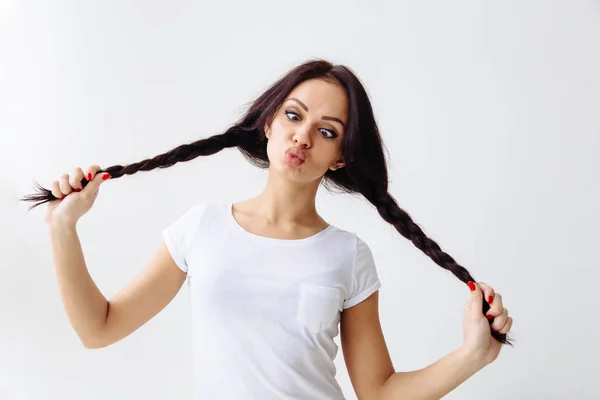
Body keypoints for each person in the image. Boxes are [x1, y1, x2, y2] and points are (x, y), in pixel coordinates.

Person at [22, 59, 513, 399]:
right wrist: (63, 228)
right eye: (293, 116)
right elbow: (99, 329)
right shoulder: (202, 228)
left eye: (327, 131)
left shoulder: (348, 255)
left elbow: (379, 392)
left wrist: (472, 356)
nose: (302, 135)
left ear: (340, 156)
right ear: (270, 124)